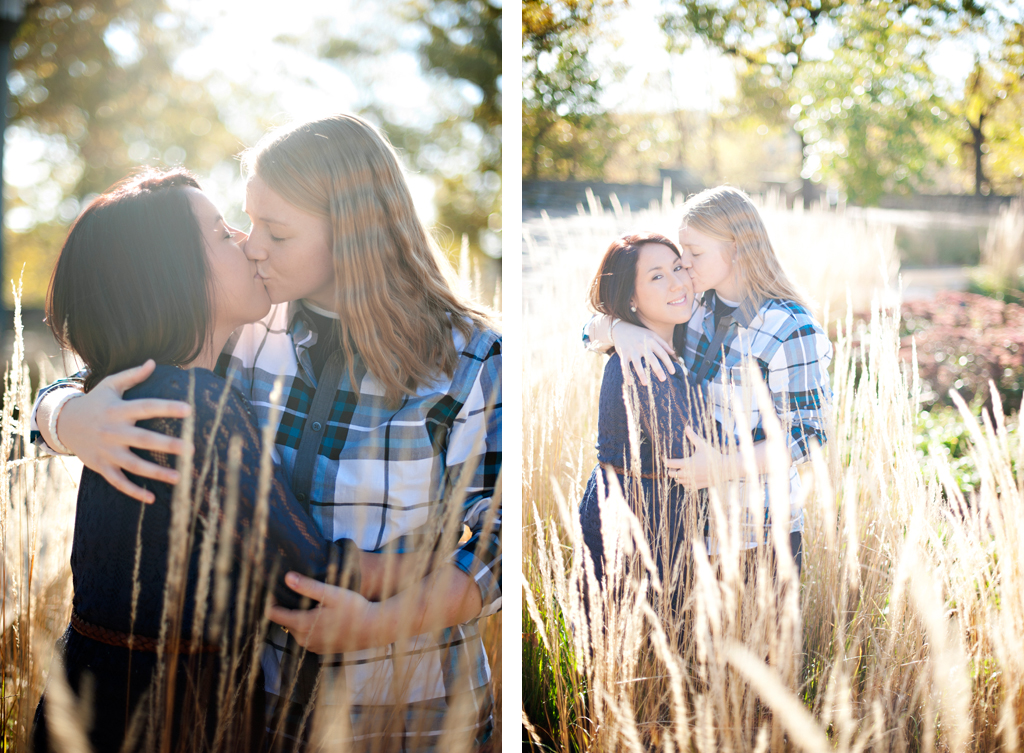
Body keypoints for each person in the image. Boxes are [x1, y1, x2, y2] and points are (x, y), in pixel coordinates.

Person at [32, 114, 501, 752]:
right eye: (246, 224)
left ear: (356, 236)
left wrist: (384, 620)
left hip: (402, 706)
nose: (253, 246)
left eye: (275, 232)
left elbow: (501, 539)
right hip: (250, 707)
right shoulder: (242, 322)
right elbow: (114, 371)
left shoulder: (473, 357)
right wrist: (64, 418)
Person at [30, 170, 360, 753]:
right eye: (221, 233)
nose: (248, 241)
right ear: (175, 277)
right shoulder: (193, 403)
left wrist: (60, 414)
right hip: (172, 717)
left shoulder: (131, 387)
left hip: (88, 699)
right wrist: (443, 573)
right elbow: (308, 581)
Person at [584, 186, 832, 573]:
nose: (684, 264)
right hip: (689, 529)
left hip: (756, 532)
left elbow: (810, 435)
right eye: (683, 251)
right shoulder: (693, 305)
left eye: (694, 253)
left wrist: (724, 466)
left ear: (736, 248)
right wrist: (618, 329)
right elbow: (587, 332)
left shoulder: (790, 327)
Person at [579, 232, 702, 594]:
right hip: (638, 522)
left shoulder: (661, 343)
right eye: (657, 276)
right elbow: (685, 449)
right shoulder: (645, 360)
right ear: (630, 298)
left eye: (678, 267)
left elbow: (591, 331)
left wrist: (616, 328)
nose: (677, 282)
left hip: (650, 513)